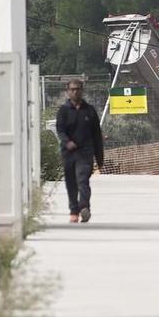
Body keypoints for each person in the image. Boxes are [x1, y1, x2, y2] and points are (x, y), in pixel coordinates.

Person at [55, 80, 104, 223]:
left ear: (82, 91)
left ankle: (84, 207)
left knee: (83, 180)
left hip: (85, 152)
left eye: (78, 89)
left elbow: (97, 136)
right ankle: (73, 210)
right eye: (72, 89)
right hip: (68, 153)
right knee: (71, 182)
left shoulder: (89, 111)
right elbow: (60, 130)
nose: (75, 92)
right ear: (68, 91)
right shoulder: (63, 111)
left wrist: (99, 158)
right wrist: (67, 142)